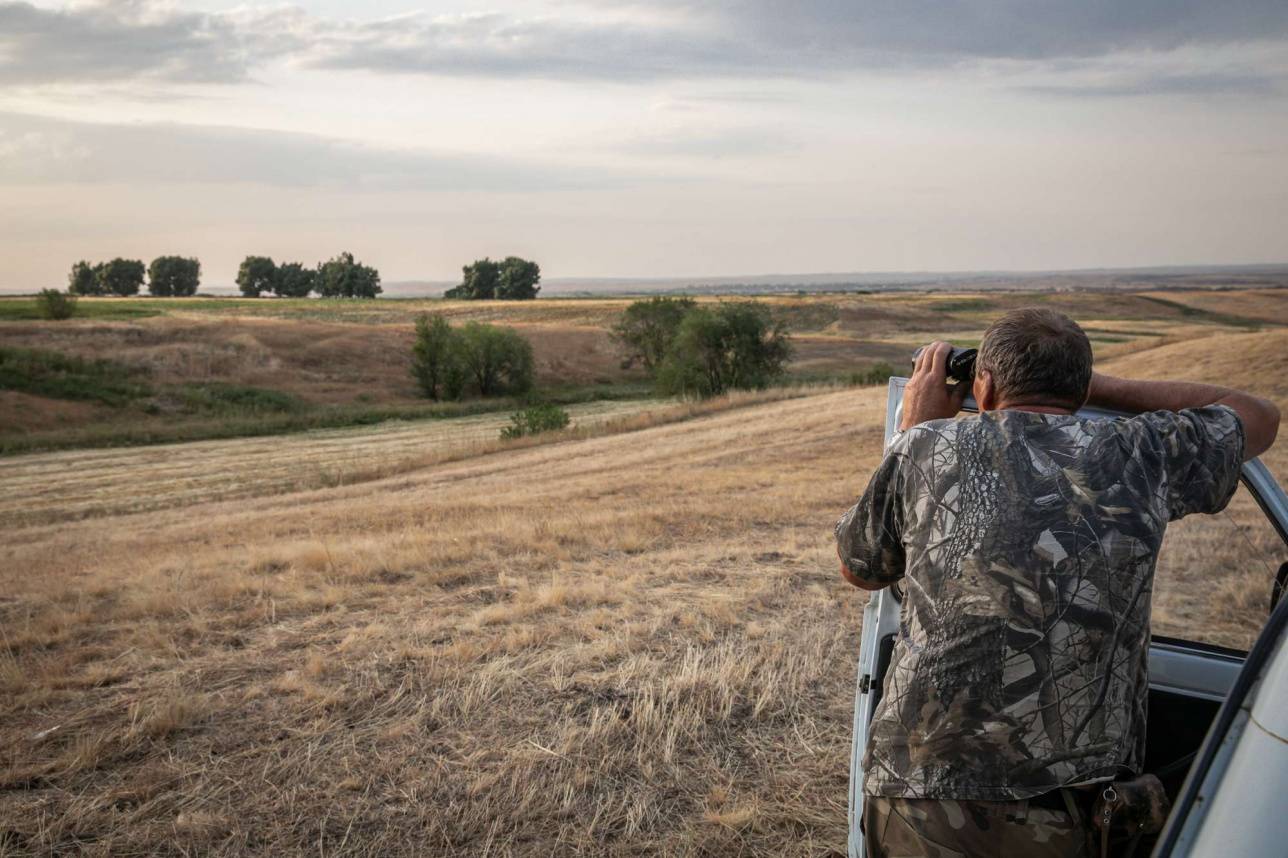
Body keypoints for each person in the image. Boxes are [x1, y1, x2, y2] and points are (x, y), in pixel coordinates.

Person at [835, 308, 1280, 857]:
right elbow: (1257, 415)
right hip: (1070, 800)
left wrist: (917, 431)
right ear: (1078, 384)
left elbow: (859, 568)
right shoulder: (1141, 452)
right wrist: (1098, 387)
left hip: (922, 787)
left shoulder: (925, 448)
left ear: (986, 383)